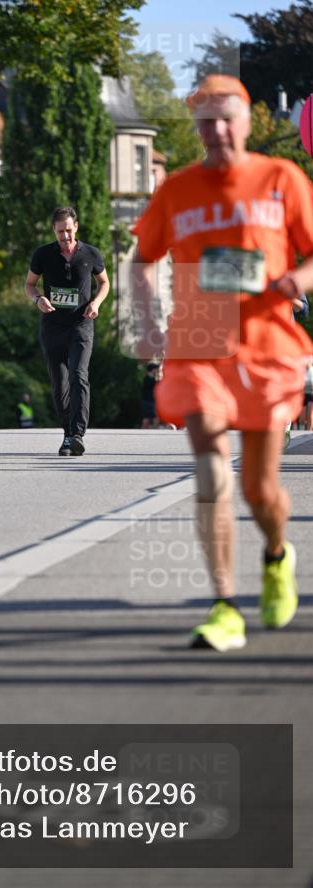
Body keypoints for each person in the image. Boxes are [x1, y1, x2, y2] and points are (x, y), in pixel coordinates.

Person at [131, 74, 313, 652]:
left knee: (261, 492)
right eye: (205, 119)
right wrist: (149, 322)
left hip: (266, 343)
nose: (216, 130)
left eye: (226, 117)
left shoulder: (281, 178)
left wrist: (296, 279)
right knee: (210, 464)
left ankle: (277, 556)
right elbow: (141, 261)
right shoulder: (178, 188)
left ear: (249, 120)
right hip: (198, 340)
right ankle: (224, 605)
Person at [25, 206, 110, 456]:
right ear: (54, 230)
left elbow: (104, 282)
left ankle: (77, 434)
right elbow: (30, 284)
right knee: (59, 383)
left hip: (81, 325)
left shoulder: (91, 254)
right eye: (61, 231)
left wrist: (96, 303)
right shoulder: (43, 254)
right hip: (52, 327)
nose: (66, 236)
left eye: (69, 230)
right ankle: (66, 434)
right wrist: (38, 299)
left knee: (79, 375)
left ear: (76, 227)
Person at [141, 363, 160, 428]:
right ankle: (155, 434)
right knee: (153, 419)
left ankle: (144, 432)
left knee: (147, 419)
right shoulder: (147, 379)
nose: (157, 370)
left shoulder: (152, 379)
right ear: (152, 370)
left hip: (149, 402)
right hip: (148, 402)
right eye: (155, 369)